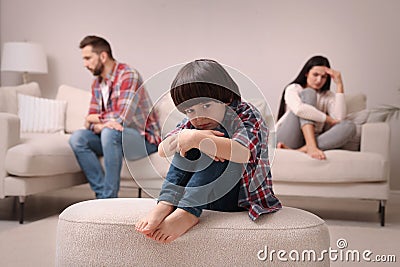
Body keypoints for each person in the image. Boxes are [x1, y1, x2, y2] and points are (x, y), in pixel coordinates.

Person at [135, 59, 281, 243]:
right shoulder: (194, 124)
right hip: (206, 194)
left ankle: (188, 212)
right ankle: (166, 202)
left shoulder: (246, 114)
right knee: (187, 138)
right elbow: (163, 150)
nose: (198, 116)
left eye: (206, 106)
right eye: (190, 110)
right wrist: (186, 137)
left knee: (210, 140)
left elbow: (243, 153)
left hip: (236, 197)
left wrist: (199, 139)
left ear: (226, 98)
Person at [69, 35, 161, 199]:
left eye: (88, 58)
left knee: (110, 132)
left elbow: (121, 119)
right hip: (114, 139)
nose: (85, 64)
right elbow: (89, 122)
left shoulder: (128, 75)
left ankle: (109, 198)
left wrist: (95, 120)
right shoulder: (97, 84)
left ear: (103, 56)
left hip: (143, 140)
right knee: (78, 138)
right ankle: (101, 195)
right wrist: (98, 123)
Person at [276, 55, 356, 160]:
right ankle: (311, 146)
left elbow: (339, 118)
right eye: (315, 74)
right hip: (288, 136)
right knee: (309, 93)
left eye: (323, 77)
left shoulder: (327, 96)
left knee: (349, 126)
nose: (319, 80)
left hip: (313, 139)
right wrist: (327, 119)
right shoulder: (294, 89)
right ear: (306, 73)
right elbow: (300, 110)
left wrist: (339, 84)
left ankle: (302, 150)